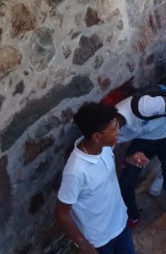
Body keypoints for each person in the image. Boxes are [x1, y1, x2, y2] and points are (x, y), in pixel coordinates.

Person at [56, 103, 140, 254]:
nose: (118, 131)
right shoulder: (75, 172)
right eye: (113, 129)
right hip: (98, 240)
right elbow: (62, 213)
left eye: (117, 126)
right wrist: (86, 247)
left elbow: (105, 173)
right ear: (97, 136)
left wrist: (128, 160)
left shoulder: (104, 147)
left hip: (120, 223)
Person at [114, 85, 166, 237]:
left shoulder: (142, 106)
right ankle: (132, 215)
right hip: (143, 140)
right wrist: (128, 159)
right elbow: (116, 160)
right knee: (126, 181)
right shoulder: (109, 134)